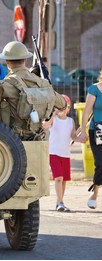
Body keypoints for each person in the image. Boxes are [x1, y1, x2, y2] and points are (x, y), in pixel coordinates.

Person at [0, 41, 67, 140]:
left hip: (12, 140)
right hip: (38, 139)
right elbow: (63, 104)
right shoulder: (42, 83)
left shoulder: (3, 86)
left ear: (7, 61)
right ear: (25, 59)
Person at [42, 94, 83, 211]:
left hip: (65, 154)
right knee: (58, 177)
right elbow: (44, 125)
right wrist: (52, 116)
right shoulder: (53, 120)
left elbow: (73, 136)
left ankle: (60, 201)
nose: (62, 110)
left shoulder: (70, 121)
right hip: (53, 153)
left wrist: (81, 139)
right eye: (58, 108)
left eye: (65, 107)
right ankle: (60, 202)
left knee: (64, 179)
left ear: (68, 109)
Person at [79, 70, 102, 209]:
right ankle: (95, 192)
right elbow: (87, 110)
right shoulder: (94, 89)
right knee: (100, 162)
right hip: (97, 130)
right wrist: (82, 130)